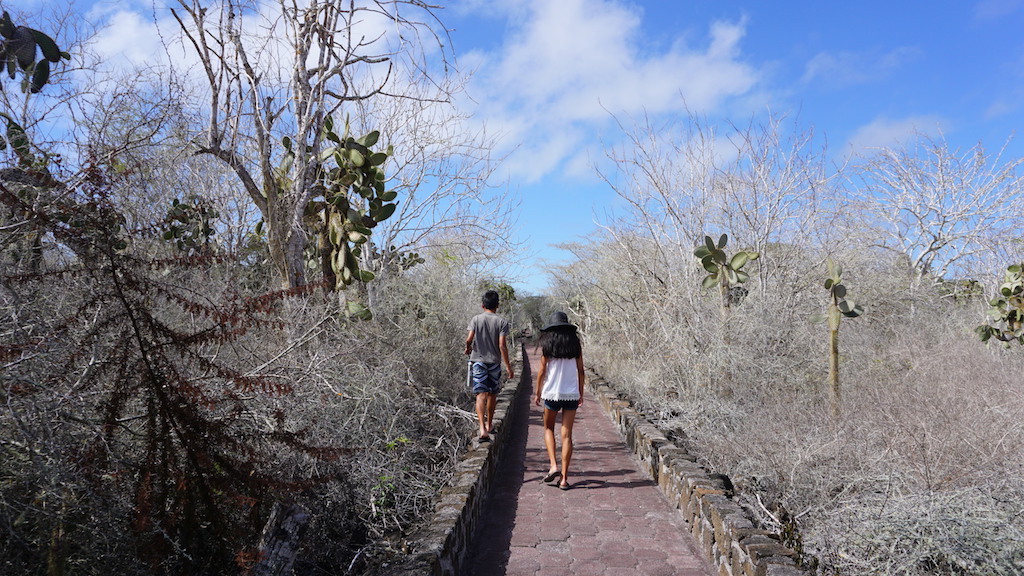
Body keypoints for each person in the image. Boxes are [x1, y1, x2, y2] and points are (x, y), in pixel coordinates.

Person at [534, 311, 585, 490]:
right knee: (567, 436)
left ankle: (553, 465)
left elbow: (541, 371)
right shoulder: (575, 344)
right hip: (571, 393)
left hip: (551, 394)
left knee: (548, 428)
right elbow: (581, 370)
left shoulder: (548, 344)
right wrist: (581, 391)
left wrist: (538, 393)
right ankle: (564, 479)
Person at [465, 289, 514, 442]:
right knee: (492, 394)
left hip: (478, 361)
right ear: (497, 306)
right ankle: (489, 424)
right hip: (494, 362)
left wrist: (468, 347)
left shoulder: (476, 319)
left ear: (482, 305)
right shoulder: (502, 322)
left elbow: (469, 339)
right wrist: (508, 366)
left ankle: (481, 429)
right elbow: (502, 346)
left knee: (480, 394)